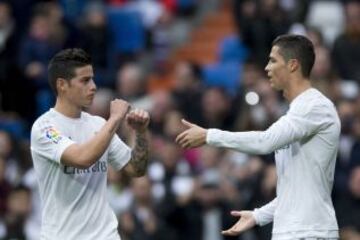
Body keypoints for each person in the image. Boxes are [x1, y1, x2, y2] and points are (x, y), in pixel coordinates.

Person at [176, 34, 340, 240]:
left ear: (293, 65)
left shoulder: (314, 106)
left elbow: (266, 141)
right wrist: (258, 216)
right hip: (295, 231)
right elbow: (297, 191)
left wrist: (209, 135)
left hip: (309, 232)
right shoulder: (298, 111)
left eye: (273, 61)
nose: (266, 68)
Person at [30, 48, 150, 240]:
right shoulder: (45, 128)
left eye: (92, 79)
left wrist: (141, 133)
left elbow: (136, 169)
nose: (93, 86)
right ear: (62, 85)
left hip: (105, 235)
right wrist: (115, 118)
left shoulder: (98, 125)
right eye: (85, 80)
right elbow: (82, 158)